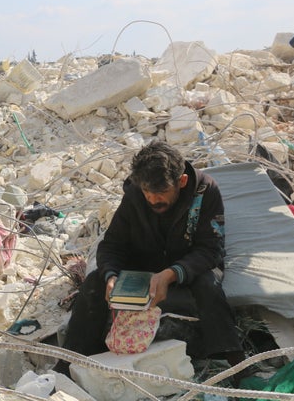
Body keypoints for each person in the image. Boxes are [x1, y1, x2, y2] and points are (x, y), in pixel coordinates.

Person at [57, 140, 244, 375]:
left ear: (182, 181)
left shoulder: (205, 191)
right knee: (95, 282)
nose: (154, 200)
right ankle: (68, 364)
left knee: (209, 284)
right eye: (148, 193)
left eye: (162, 193)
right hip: (144, 265)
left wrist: (170, 274)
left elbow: (211, 249)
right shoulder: (136, 193)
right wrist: (111, 276)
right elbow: (112, 245)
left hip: (188, 268)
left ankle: (234, 363)